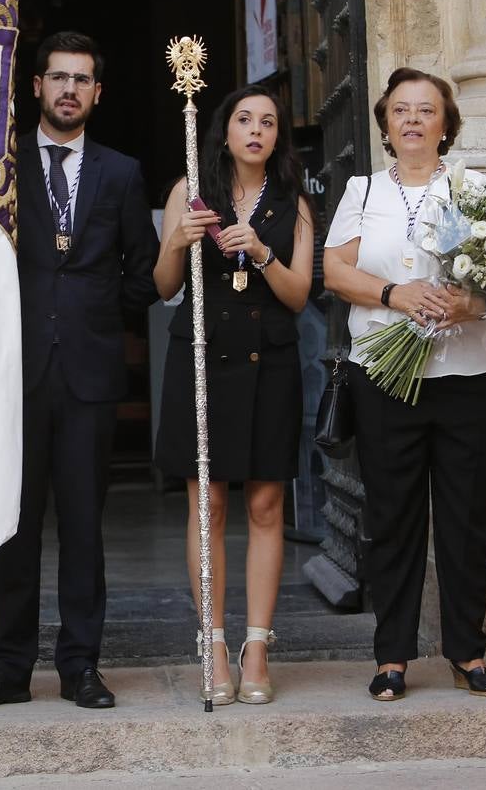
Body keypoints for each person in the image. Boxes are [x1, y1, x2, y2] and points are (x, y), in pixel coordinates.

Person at [0, 31, 159, 710]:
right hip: (13, 376)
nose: (69, 89)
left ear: (97, 93)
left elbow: (142, 272)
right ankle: (9, 668)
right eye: (58, 77)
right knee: (12, 527)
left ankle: (80, 667)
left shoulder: (121, 172)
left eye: (82, 79)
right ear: (36, 87)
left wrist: (99, 317)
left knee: (83, 528)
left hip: (90, 375)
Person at [323, 67, 486, 702]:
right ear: (384, 124)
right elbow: (334, 270)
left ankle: (468, 651)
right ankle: (393, 656)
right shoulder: (362, 190)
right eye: (400, 110)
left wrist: (471, 304)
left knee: (465, 518)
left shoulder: (475, 190)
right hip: (385, 377)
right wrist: (393, 294)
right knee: (393, 517)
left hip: (470, 375)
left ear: (445, 124)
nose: (412, 120)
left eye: (426, 110)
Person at [152, 86, 315, 705]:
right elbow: (165, 285)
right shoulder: (189, 191)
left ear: (278, 136)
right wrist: (178, 240)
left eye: (268, 121)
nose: (256, 130)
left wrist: (263, 251)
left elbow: (299, 294)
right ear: (223, 131)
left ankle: (257, 647)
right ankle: (213, 642)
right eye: (244, 119)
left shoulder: (293, 203)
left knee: (267, 506)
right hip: (203, 363)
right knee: (209, 506)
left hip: (269, 363)